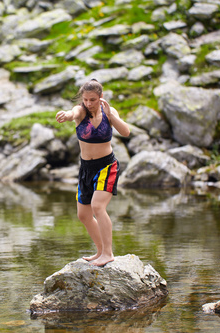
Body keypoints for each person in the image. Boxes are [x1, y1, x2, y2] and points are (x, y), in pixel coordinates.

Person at [56, 79, 130, 266]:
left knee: (98, 207)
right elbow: (73, 113)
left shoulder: (109, 112)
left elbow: (126, 132)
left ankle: (108, 253)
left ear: (101, 97)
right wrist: (66, 115)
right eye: (86, 99)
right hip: (86, 169)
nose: (89, 103)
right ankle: (100, 251)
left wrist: (111, 116)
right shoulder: (81, 111)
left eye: (93, 100)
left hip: (107, 166)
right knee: (83, 215)